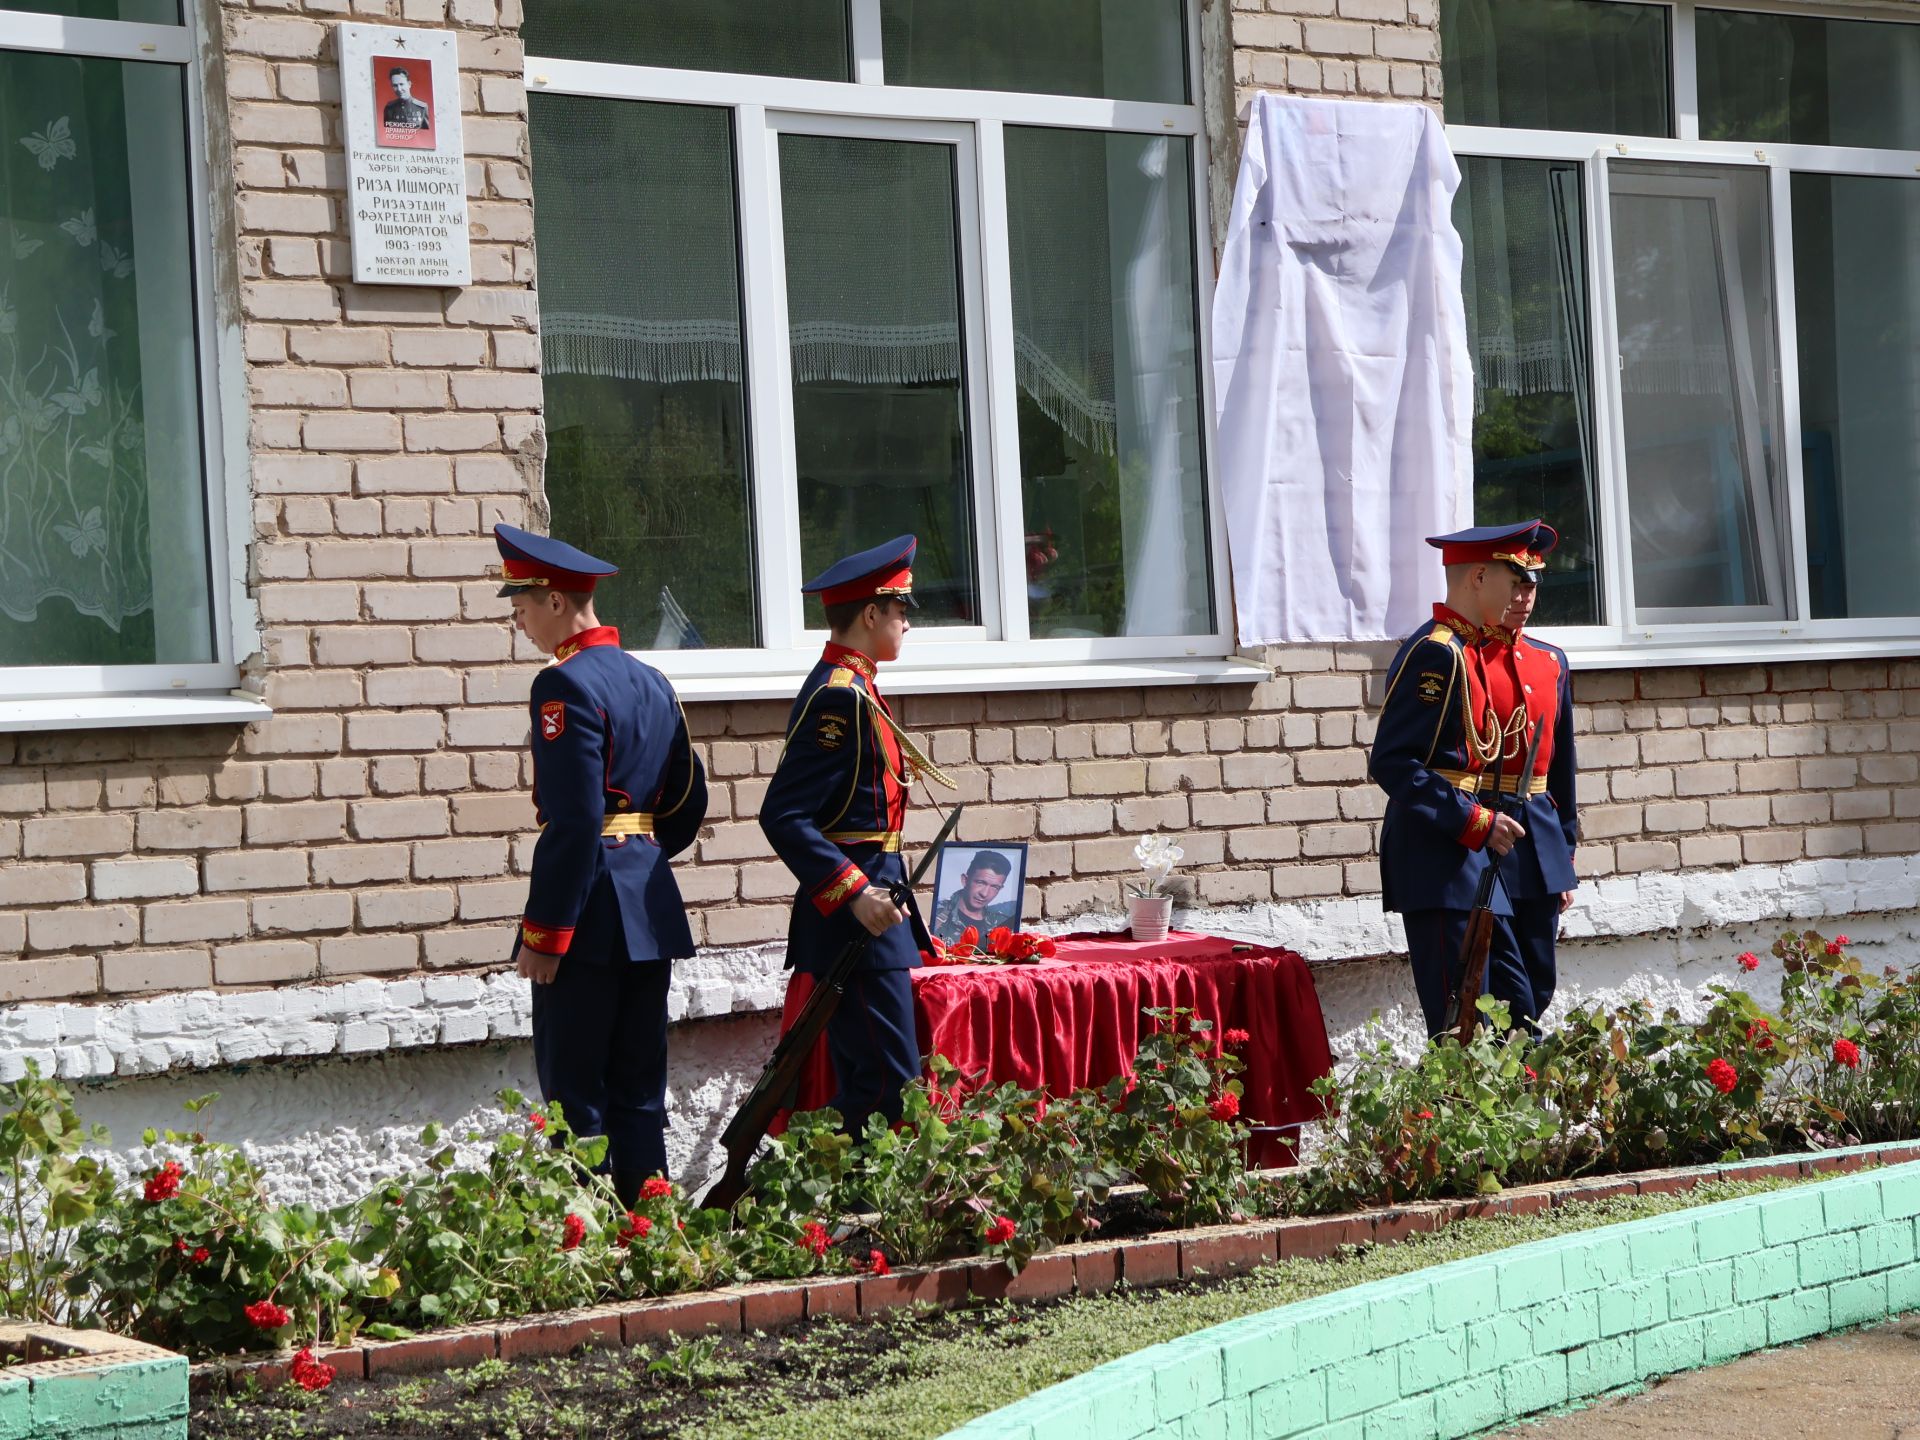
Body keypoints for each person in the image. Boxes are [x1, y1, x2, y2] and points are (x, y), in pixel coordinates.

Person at [496, 523, 707, 1208]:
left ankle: (579, 1251)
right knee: (640, 1089)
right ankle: (652, 1232)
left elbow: (577, 819)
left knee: (577, 1097)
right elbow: (687, 798)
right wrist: (640, 857)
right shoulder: (652, 681)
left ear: (556, 600)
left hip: (586, 917)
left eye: (522, 603)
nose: (518, 618)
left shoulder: (561, 685)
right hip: (647, 902)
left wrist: (545, 933)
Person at [759, 535, 953, 1134]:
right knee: (891, 1091)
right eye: (900, 612)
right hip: (857, 920)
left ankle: (853, 1215)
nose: (905, 625)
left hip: (874, 914)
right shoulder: (839, 699)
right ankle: (873, 1218)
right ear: (871, 615)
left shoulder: (858, 687)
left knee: (875, 1088)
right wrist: (854, 891)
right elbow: (783, 815)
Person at [1368, 519, 1578, 1039]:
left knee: (1518, 1008)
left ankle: (1504, 1114)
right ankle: (1465, 1117)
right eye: (1516, 582)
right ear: (1480, 577)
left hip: (1484, 847)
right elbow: (1393, 761)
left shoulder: (1481, 651)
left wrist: (1560, 850)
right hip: (1443, 853)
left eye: (1531, 584)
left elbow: (1551, 763)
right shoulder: (1439, 652)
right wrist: (1474, 820)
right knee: (1465, 1021)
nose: (1523, 597)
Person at [930, 850, 1019, 943]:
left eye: (994, 887)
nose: (984, 894)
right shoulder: (936, 913)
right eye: (980, 883)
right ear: (965, 880)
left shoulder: (1003, 924)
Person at [382, 66, 430, 131]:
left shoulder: (422, 108)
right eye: (395, 85)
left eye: (401, 84)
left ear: (409, 84)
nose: (399, 89)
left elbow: (427, 136)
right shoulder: (389, 108)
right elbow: (386, 133)